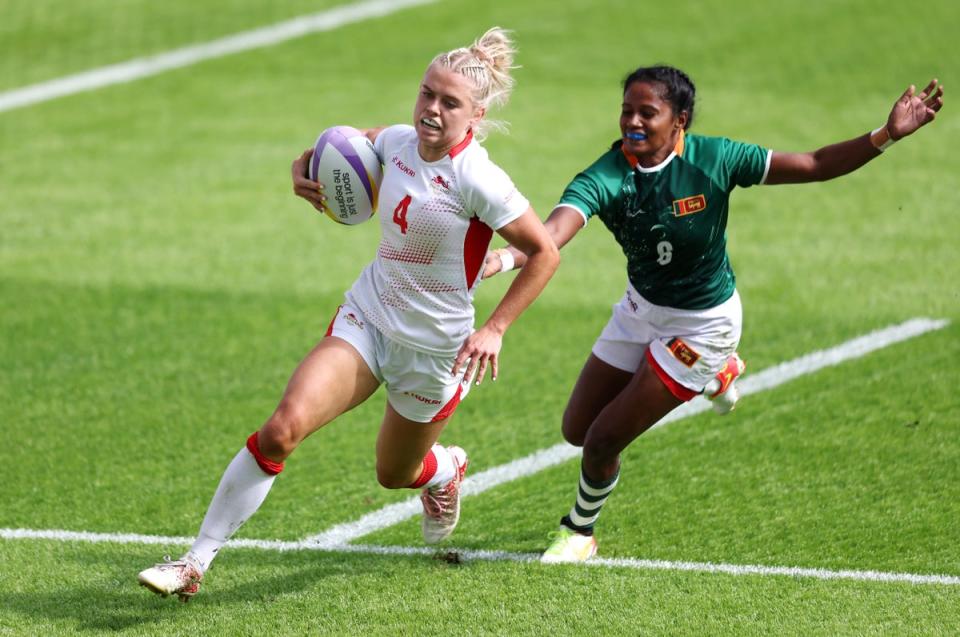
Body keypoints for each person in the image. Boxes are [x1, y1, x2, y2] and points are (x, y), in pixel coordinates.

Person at [137, 27, 559, 601]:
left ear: (476, 115)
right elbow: (339, 147)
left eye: (449, 102)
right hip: (368, 317)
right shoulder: (396, 141)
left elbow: (544, 252)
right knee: (283, 428)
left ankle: (442, 471)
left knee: (394, 475)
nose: (432, 110)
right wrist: (302, 168)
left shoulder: (479, 180)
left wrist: (495, 328)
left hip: (435, 350)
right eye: (427, 94)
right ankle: (193, 562)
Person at [483, 65, 943, 563]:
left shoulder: (715, 159)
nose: (632, 122)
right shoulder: (606, 176)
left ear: (680, 120)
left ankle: (580, 531)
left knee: (600, 441)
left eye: (648, 113)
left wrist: (885, 136)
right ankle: (717, 377)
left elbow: (812, 162)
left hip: (703, 326)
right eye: (626, 110)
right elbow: (552, 233)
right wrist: (505, 258)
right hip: (639, 309)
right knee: (576, 428)